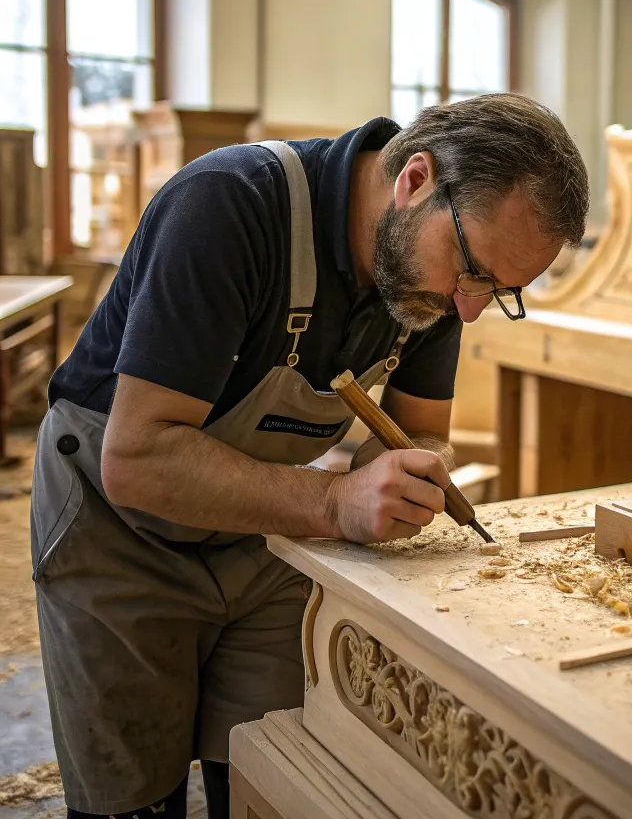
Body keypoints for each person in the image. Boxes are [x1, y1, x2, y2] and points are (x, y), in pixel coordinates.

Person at [30, 93, 589, 819]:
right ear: (414, 180)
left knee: (278, 776)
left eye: (502, 292)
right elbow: (138, 461)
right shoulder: (227, 207)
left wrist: (403, 475)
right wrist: (333, 502)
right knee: (134, 798)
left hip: (262, 543)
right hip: (120, 533)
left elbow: (419, 430)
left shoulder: (434, 285)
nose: (472, 308)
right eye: (474, 271)